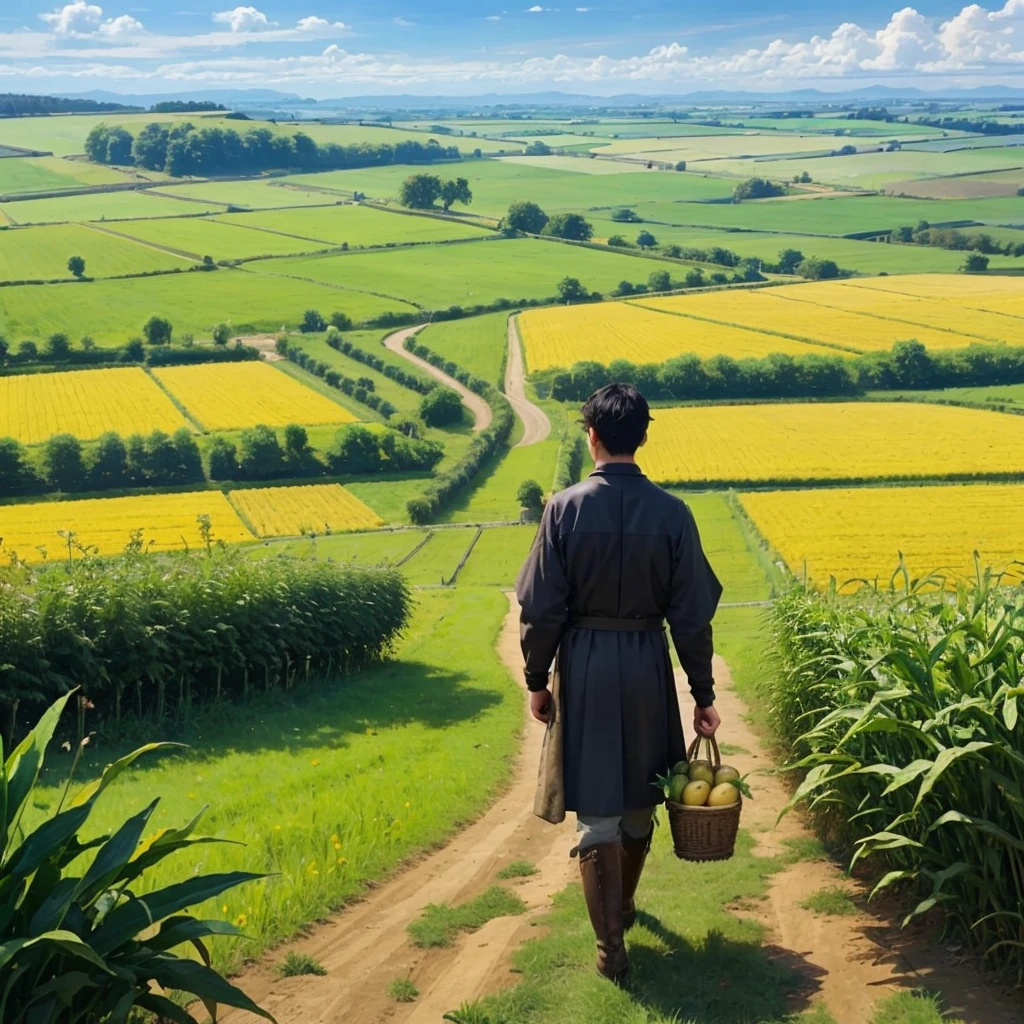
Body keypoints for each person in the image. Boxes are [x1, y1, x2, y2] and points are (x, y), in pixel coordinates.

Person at [514, 382, 722, 982]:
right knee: (638, 803)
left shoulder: (564, 508)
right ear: (643, 436)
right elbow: (691, 615)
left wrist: (536, 678)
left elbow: (541, 609)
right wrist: (702, 694)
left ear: (592, 436)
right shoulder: (674, 513)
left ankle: (610, 947)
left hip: (585, 666)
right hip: (647, 665)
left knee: (597, 814)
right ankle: (623, 904)